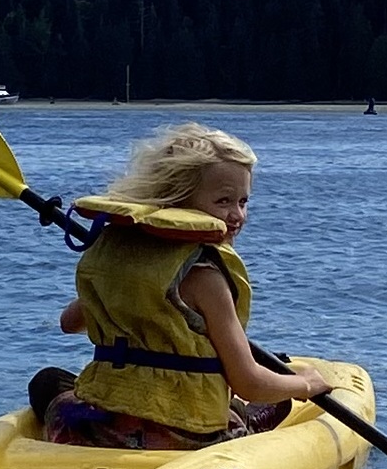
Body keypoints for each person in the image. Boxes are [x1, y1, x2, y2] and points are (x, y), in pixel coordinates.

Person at [30, 122, 332, 450]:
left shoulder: (117, 253)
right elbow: (249, 383)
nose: (237, 215)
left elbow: (69, 323)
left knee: (48, 382)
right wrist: (304, 384)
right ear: (177, 199)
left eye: (243, 202)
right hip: (186, 437)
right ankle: (242, 420)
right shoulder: (206, 277)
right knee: (268, 398)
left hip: (104, 427)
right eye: (223, 201)